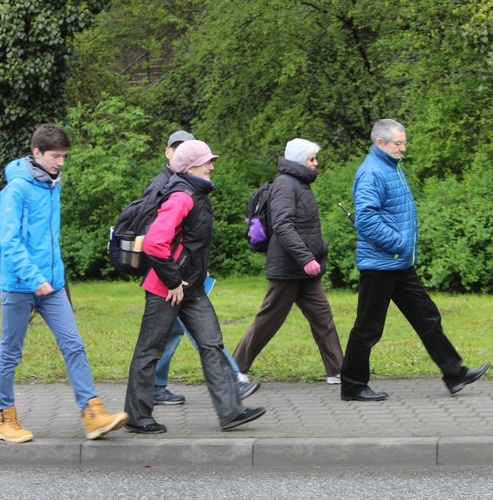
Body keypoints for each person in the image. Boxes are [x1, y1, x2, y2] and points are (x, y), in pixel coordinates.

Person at [340, 119, 490, 402]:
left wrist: (401, 250)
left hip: (399, 264)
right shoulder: (372, 172)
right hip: (380, 266)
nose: (403, 148)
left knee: (427, 317)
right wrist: (399, 243)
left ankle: (454, 373)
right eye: (399, 143)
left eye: (404, 142)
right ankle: (352, 386)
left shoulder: (391, 167)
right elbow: (367, 220)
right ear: (380, 143)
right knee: (368, 328)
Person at [124, 140, 265, 433]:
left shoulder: (197, 195)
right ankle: (137, 417)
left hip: (192, 287)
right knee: (149, 351)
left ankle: (231, 412)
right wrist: (173, 281)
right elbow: (154, 243)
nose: (212, 166)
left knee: (212, 343)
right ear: (190, 167)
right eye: (206, 161)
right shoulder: (182, 197)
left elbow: (189, 243)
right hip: (169, 288)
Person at [0, 124, 129, 443]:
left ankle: (92, 413)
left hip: (52, 285)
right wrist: (33, 278)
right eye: (55, 156)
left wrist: (52, 278)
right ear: (37, 153)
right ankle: (5, 416)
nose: (61, 162)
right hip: (19, 285)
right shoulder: (17, 189)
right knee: (10, 354)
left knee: (73, 344)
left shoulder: (51, 185)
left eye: (64, 156)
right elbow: (8, 241)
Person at [148, 131, 260, 405]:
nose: (180, 152)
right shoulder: (169, 186)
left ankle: (154, 388)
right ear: (169, 153)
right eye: (176, 147)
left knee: (176, 334)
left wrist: (196, 265)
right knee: (199, 335)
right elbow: (156, 237)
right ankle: (231, 383)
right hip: (172, 278)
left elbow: (188, 237)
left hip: (183, 275)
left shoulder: (188, 186)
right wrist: (173, 276)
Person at [232, 139, 344, 384]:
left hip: (305, 268)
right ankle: (235, 368)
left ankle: (338, 370)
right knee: (269, 319)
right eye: (311, 159)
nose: (316, 164)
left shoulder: (301, 184)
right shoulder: (286, 184)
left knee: (322, 317)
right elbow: (283, 225)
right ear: (298, 159)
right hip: (289, 266)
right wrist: (305, 258)